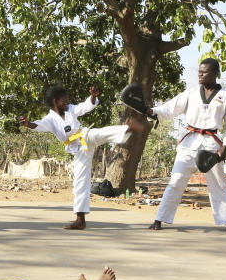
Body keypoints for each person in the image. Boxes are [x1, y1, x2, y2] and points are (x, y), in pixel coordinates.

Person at [19, 84, 144, 230]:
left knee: (99, 133)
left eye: (67, 99)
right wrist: (28, 124)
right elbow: (38, 125)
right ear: (55, 101)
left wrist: (93, 97)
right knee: (80, 182)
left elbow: (84, 106)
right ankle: (80, 220)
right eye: (63, 100)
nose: (66, 102)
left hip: (85, 135)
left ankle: (128, 128)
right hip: (78, 151)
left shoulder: (71, 109)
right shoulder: (50, 119)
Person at [146, 58, 226, 233]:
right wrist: (152, 111)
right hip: (189, 143)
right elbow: (169, 108)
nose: (200, 74)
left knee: (219, 184)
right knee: (175, 181)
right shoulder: (190, 93)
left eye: (204, 72)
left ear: (215, 74)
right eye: (199, 71)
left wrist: (224, 148)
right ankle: (159, 219)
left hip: (212, 145)